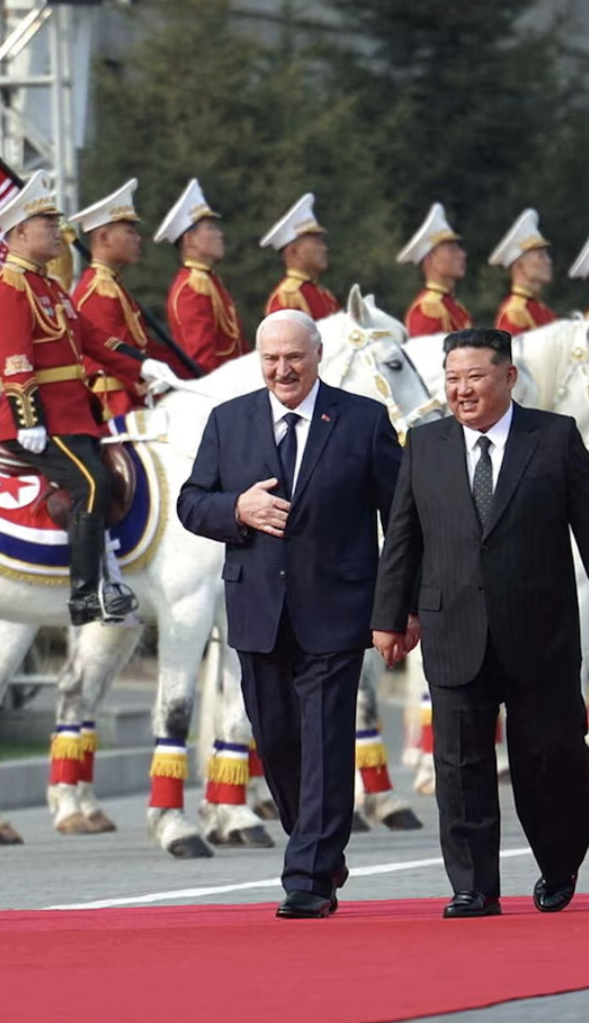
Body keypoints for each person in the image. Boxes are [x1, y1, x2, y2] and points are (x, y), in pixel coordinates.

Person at [371, 327, 589, 919]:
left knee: (552, 755)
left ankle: (560, 859)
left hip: (539, 630)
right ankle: (474, 886)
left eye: (475, 377)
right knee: (460, 763)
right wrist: (391, 617)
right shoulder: (424, 444)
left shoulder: (555, 437)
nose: (461, 390)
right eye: (452, 379)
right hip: (453, 628)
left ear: (509, 377)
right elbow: (403, 540)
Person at [176, 310, 402, 919]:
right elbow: (191, 503)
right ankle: (320, 847)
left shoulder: (363, 420)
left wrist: (398, 605)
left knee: (327, 740)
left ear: (318, 354)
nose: (283, 370)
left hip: (336, 607)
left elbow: (400, 519)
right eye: (272, 359)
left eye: (294, 358)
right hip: (256, 610)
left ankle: (307, 877)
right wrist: (237, 509)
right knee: (275, 739)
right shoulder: (230, 420)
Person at [0, 171, 176, 625]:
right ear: (19, 234)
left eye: (55, 221)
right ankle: (86, 595)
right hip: (42, 420)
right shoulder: (9, 288)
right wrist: (28, 419)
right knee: (91, 485)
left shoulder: (49, 287)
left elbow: (95, 340)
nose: (58, 230)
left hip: (75, 414)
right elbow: (14, 362)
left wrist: (140, 365)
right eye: (47, 223)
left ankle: (115, 577)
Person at [72, 178, 173, 417]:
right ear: (104, 238)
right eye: (129, 231)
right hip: (113, 402)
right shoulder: (97, 292)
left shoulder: (114, 286)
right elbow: (113, 353)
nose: (137, 238)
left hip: (133, 394)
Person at [159, 178, 247, 374]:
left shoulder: (209, 280)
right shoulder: (192, 287)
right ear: (190, 240)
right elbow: (201, 359)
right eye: (211, 228)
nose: (220, 234)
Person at [401, 203, 474, 338]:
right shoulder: (426, 309)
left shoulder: (457, 307)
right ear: (430, 260)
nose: (462, 254)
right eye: (452, 250)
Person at [263, 193, 340, 320]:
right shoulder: (288, 298)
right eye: (316, 243)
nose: (324, 248)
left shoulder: (324, 295)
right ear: (293, 251)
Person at [489, 209, 557, 337]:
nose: (548, 261)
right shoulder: (515, 312)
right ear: (519, 266)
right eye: (541, 256)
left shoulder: (544, 311)